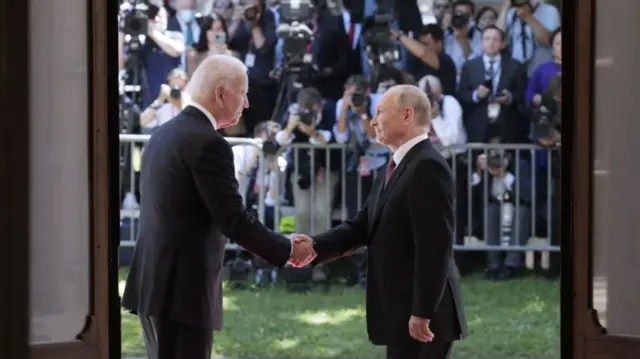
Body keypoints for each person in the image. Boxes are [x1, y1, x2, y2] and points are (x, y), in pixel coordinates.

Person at [121, 55, 316, 359]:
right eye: (243, 93)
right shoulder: (209, 143)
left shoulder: (163, 134)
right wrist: (287, 250)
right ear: (222, 93)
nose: (247, 104)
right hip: (181, 291)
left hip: (154, 284)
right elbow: (234, 221)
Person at [292, 85, 468, 359]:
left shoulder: (426, 167)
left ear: (407, 115)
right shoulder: (399, 164)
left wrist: (422, 312)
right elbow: (363, 226)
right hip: (402, 310)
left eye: (381, 112)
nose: (373, 121)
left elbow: (435, 248)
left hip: (422, 317)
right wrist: (315, 247)